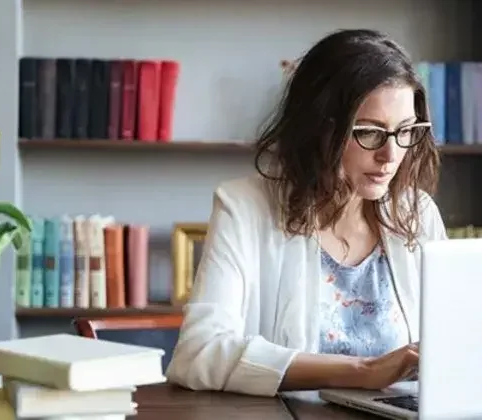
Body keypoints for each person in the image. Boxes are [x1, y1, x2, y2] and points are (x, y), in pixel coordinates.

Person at [166, 29, 447, 397]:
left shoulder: (417, 213)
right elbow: (199, 353)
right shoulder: (245, 208)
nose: (390, 156)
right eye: (369, 133)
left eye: (406, 131)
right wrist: (364, 371)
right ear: (319, 129)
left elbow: (455, 342)